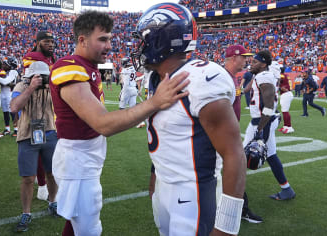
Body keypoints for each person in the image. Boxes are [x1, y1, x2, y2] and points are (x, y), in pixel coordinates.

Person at [49, 10, 189, 236]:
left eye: (110, 39)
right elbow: (103, 124)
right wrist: (155, 102)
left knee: (78, 224)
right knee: (88, 229)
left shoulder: (88, 66)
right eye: (102, 39)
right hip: (77, 159)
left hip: (86, 156)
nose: (109, 46)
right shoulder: (69, 66)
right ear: (82, 40)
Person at [133, 4, 245, 235]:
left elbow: (234, 153)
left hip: (192, 192)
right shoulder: (157, 78)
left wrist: (227, 224)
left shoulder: (201, 80)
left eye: (144, 41)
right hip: (165, 186)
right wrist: (156, 179)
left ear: (162, 42)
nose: (139, 48)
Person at [10, 61, 59, 232]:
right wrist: (31, 88)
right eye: (38, 76)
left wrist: (51, 84)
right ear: (30, 76)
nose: (41, 79)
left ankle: (53, 202)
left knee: (52, 173)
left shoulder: (52, 85)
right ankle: (26, 213)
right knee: (28, 178)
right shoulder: (21, 85)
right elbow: (14, 106)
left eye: (43, 76)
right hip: (26, 135)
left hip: (50, 133)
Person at [242, 50, 296, 201]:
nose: (251, 64)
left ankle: (237, 197)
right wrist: (238, 92)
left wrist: (260, 129)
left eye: (255, 62)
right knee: (271, 154)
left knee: (241, 156)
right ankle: (287, 189)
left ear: (263, 64)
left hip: (262, 120)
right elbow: (249, 88)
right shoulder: (259, 75)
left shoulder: (264, 76)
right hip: (264, 119)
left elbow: (269, 105)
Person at [223, 45, 263, 223]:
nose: (247, 60)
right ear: (234, 58)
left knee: (232, 172)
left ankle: (239, 209)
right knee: (236, 171)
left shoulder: (231, 78)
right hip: (222, 135)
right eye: (244, 57)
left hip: (228, 133)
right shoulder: (223, 78)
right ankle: (239, 210)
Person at [22, 31, 56, 202]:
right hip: (36, 106)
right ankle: (42, 186)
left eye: (52, 41)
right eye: (46, 41)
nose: (50, 44)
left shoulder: (50, 59)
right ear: (37, 42)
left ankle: (42, 180)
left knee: (47, 147)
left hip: (49, 107)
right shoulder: (32, 57)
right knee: (40, 145)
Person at [0, 57, 19, 135]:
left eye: (6, 64)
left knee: (12, 112)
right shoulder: (6, 71)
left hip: (10, 93)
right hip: (4, 93)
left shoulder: (13, 71)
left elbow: (5, 82)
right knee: (5, 112)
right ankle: (7, 129)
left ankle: (16, 129)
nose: (4, 65)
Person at [273, 63, 295, 134]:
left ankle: (289, 127)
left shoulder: (281, 75)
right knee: (284, 111)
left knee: (285, 111)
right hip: (286, 93)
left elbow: (278, 80)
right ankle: (286, 126)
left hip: (286, 94)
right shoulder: (284, 75)